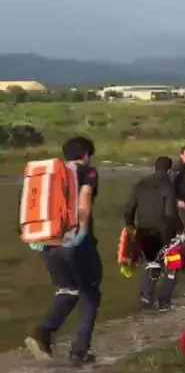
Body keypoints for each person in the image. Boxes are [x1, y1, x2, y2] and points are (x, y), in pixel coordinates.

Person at [25, 136, 102, 366]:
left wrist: (37, 240)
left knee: (67, 289)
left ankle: (42, 334)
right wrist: (81, 233)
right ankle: (80, 351)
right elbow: (85, 199)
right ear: (86, 155)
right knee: (91, 293)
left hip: (48, 244)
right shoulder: (87, 173)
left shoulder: (50, 175)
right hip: (76, 243)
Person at [123, 156, 185, 311]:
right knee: (173, 265)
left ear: (154, 167)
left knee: (152, 263)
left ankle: (146, 296)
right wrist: (181, 230)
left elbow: (128, 209)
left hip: (144, 230)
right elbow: (170, 213)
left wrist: (130, 226)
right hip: (164, 231)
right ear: (169, 170)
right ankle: (164, 301)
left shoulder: (140, 184)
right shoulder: (167, 185)